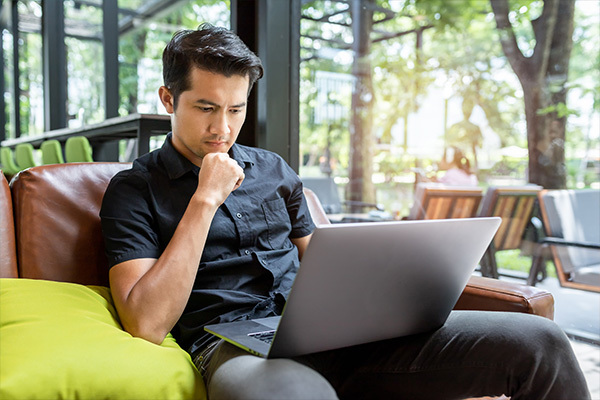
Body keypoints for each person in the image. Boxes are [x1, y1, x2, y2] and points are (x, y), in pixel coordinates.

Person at [100, 23, 590, 400]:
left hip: (324, 331)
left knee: (539, 342)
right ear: (168, 98)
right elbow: (146, 322)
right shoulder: (134, 189)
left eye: (236, 109)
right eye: (206, 108)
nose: (224, 128)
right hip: (230, 347)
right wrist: (205, 199)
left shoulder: (273, 169)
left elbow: (324, 262)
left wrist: (387, 302)